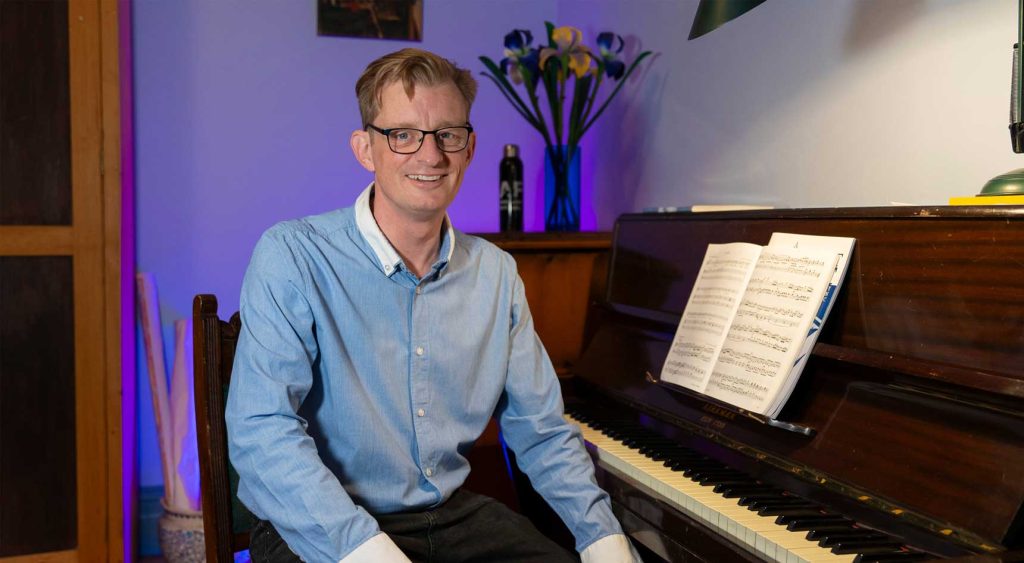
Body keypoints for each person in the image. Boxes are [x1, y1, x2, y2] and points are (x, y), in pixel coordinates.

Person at [226, 47, 641, 563]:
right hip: (322, 526)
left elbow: (541, 431)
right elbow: (260, 431)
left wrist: (605, 540)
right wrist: (370, 551)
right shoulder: (292, 254)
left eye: (448, 134)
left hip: (454, 519)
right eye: (403, 135)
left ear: (468, 149)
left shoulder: (496, 274)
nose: (431, 156)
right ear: (364, 148)